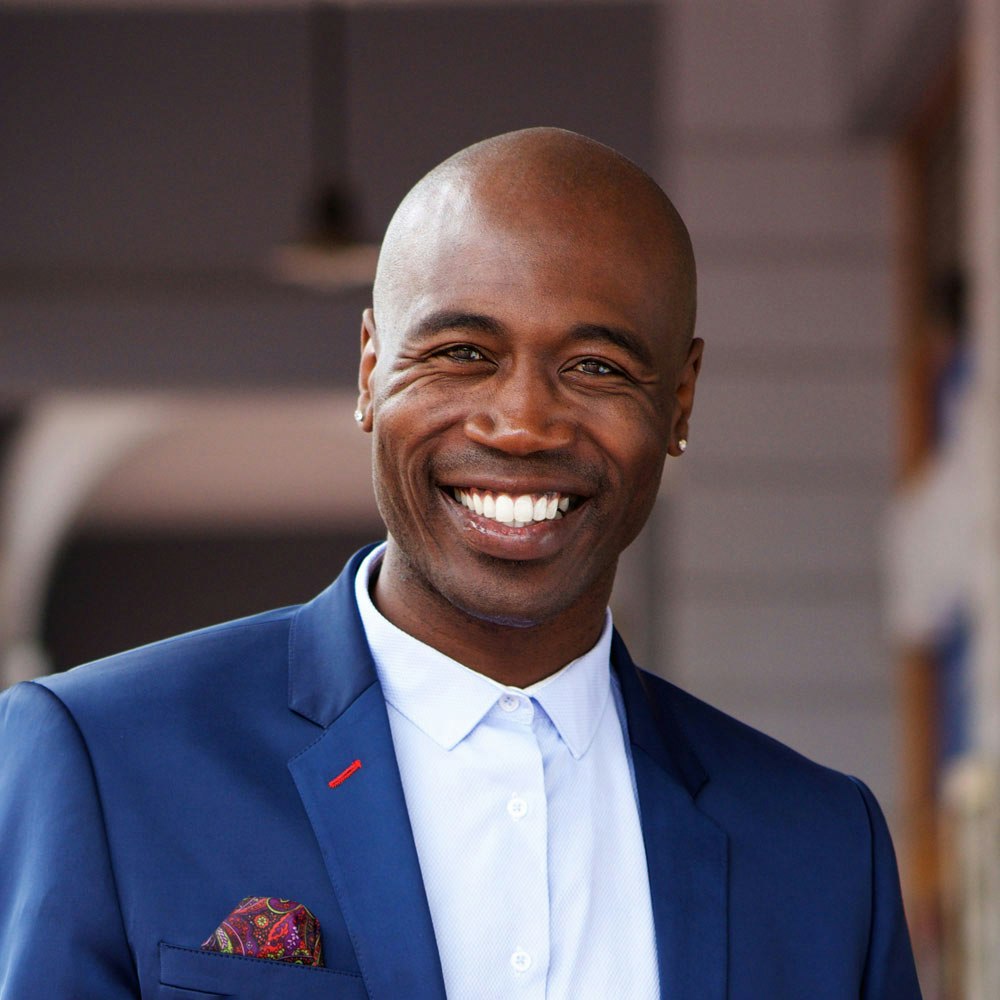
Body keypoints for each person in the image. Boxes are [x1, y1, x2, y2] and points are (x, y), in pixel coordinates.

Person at [0, 128, 921, 999]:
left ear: (679, 401)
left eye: (597, 367)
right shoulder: (105, 761)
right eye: (464, 353)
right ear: (371, 369)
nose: (522, 424)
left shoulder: (822, 852)